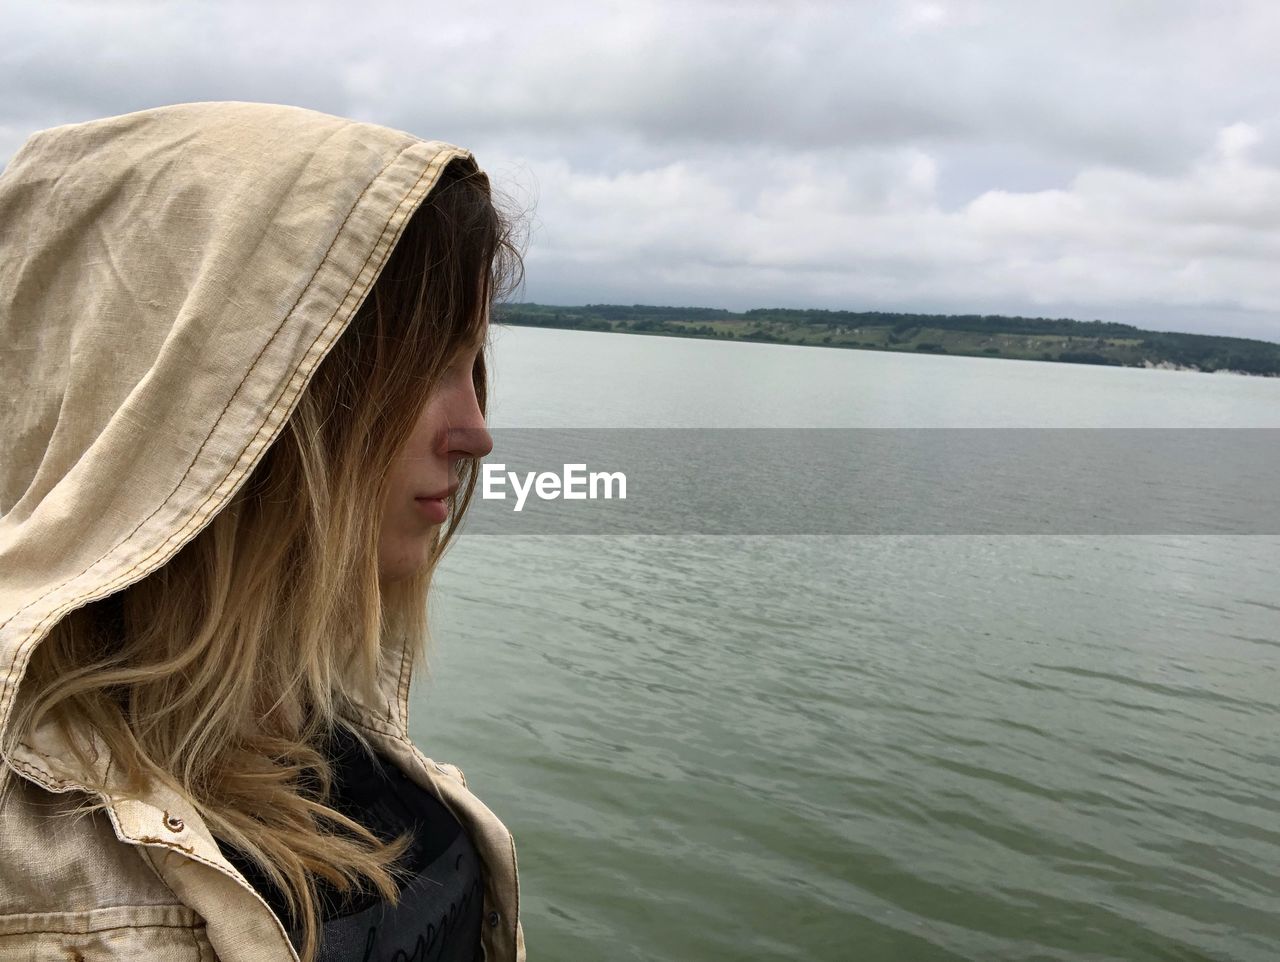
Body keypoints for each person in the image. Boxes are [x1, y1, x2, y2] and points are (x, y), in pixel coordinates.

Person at [0, 102, 525, 962]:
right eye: (423, 366)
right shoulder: (29, 857)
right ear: (221, 396)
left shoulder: (308, 705)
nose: (476, 430)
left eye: (471, 364)